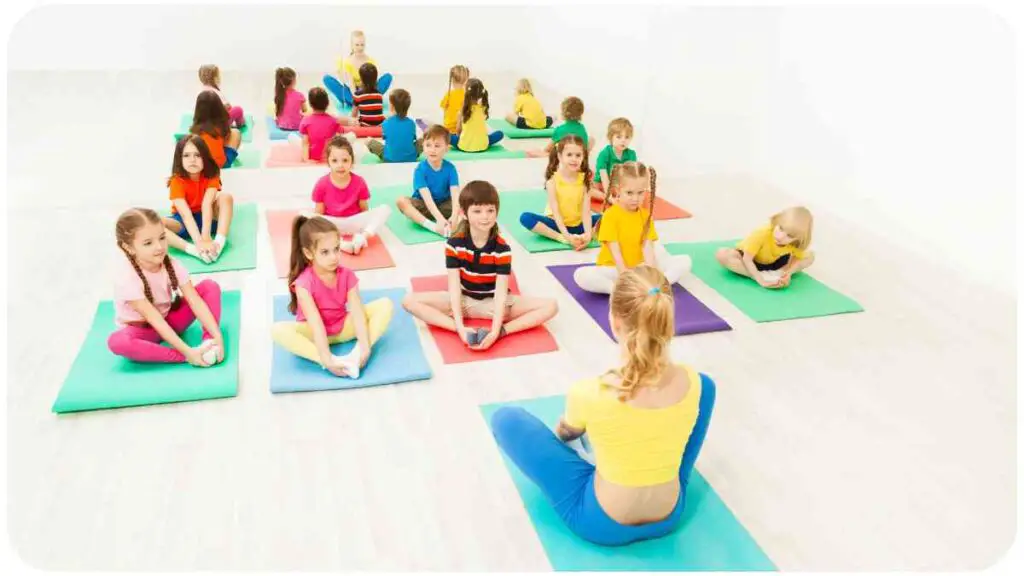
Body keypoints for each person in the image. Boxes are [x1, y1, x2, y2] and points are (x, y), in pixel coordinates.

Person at [490, 266, 716, 546]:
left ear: (614, 321)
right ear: (666, 320)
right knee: (704, 394)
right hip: (670, 515)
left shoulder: (590, 393)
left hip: (602, 522)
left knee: (506, 419)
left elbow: (566, 435)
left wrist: (570, 430)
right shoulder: (699, 384)